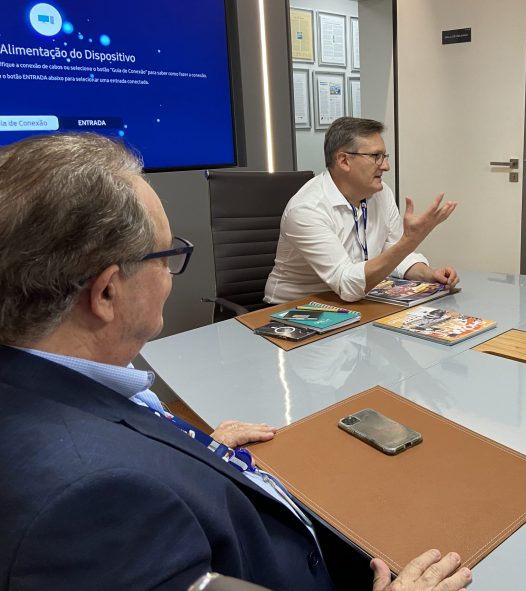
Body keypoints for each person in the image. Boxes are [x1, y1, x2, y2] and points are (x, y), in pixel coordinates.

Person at [0, 133, 473, 591]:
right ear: (106, 292)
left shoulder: (52, 385)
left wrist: (193, 446)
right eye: (167, 256)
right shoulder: (89, 498)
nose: (170, 276)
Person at [264, 117, 459, 304]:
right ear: (344, 161)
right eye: (376, 156)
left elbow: (394, 253)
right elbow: (347, 284)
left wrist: (428, 274)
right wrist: (410, 241)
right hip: (295, 310)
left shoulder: (381, 193)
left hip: (355, 301)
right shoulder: (307, 209)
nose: (386, 166)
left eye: (384, 157)